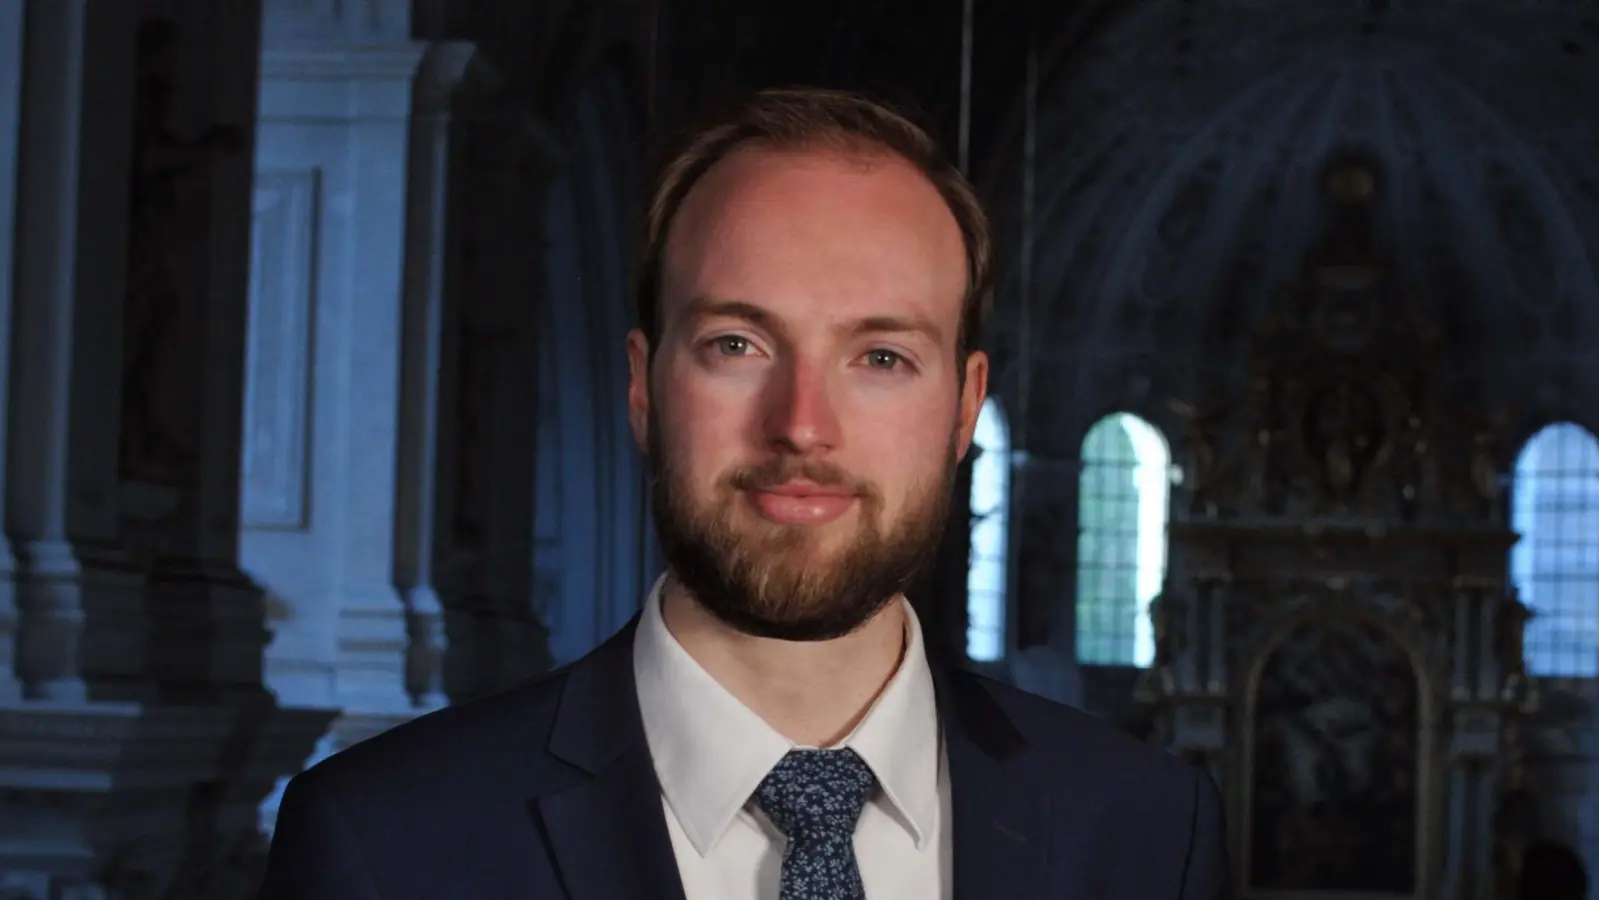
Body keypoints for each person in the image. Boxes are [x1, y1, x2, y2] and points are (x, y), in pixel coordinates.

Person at [258, 87, 1229, 900]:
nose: (802, 424)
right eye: (737, 345)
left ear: (966, 407)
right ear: (644, 386)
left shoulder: (1147, 835)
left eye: (881, 357)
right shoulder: (382, 846)